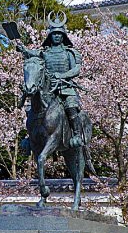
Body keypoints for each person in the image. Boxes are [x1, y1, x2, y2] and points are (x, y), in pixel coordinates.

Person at [15, 16, 85, 148]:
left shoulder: (70, 52)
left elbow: (76, 69)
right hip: (47, 89)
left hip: (65, 87)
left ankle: (76, 135)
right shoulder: (44, 53)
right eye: (54, 34)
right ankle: (31, 136)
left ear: (63, 36)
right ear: (50, 36)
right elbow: (31, 53)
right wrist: (22, 49)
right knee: (32, 108)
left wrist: (62, 75)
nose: (57, 36)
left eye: (59, 34)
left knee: (71, 106)